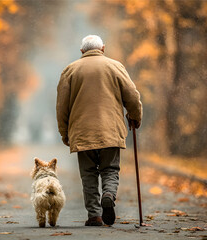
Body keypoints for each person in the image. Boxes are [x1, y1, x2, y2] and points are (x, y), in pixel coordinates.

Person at [56, 35, 142, 226]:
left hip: (82, 131)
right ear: (103, 48)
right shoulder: (115, 66)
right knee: (110, 169)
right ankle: (109, 194)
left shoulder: (70, 70)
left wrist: (64, 132)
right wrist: (135, 116)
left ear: (82, 51)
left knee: (88, 173)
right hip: (110, 130)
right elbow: (132, 96)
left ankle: (94, 215)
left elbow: (62, 106)